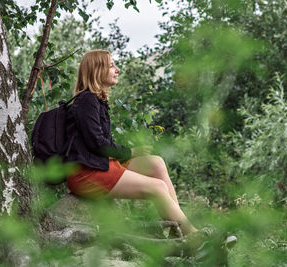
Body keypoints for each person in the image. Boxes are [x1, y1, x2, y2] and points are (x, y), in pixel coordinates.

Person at [64, 49, 206, 239]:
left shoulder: (96, 100)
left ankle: (178, 227)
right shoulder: (87, 100)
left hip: (99, 164)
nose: (118, 69)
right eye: (112, 65)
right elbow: (97, 144)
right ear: (97, 70)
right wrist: (130, 151)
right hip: (87, 173)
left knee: (156, 162)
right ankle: (194, 239)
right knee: (158, 187)